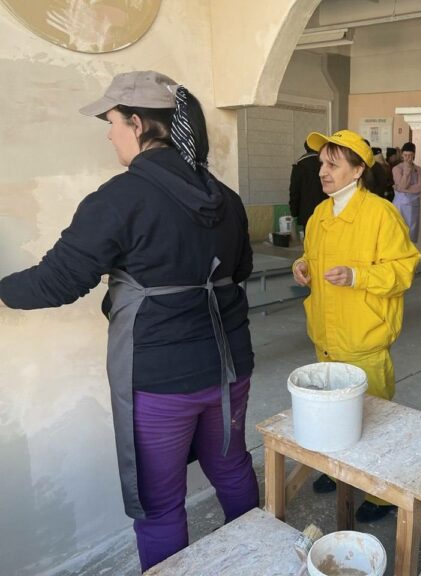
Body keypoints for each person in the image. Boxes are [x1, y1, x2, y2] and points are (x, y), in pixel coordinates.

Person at [0, 71, 259, 571]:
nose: (109, 134)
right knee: (231, 467)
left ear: (138, 124)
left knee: (159, 506)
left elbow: (57, 282)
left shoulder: (119, 199)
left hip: (161, 381)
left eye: (112, 122)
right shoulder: (225, 196)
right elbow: (241, 269)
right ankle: (258, 560)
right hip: (231, 367)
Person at [291, 129, 421, 522]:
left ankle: (382, 495)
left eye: (333, 165)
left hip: (364, 337)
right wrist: (302, 266)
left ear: (358, 170)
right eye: (322, 164)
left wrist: (357, 275)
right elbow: (310, 256)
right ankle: (340, 473)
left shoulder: (381, 214)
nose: (323, 172)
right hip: (326, 336)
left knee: (373, 420)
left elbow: (403, 269)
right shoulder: (320, 214)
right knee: (335, 417)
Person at [392, 142, 421, 242]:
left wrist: (401, 189)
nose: (407, 158)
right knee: (398, 232)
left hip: (413, 205)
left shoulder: (419, 170)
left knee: (411, 234)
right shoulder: (397, 169)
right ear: (402, 155)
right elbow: (403, 185)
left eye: (410, 155)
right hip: (399, 205)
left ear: (414, 155)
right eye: (405, 155)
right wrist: (407, 170)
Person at [289, 141, 325, 228]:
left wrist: (294, 212)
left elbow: (294, 191)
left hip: (306, 213)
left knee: (309, 235)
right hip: (325, 211)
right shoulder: (325, 165)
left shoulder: (299, 166)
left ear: (306, 149)